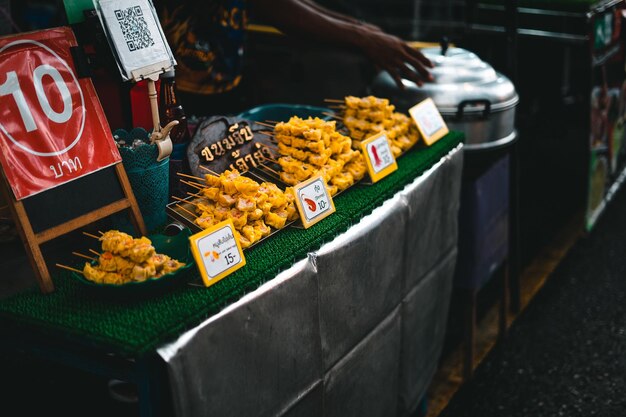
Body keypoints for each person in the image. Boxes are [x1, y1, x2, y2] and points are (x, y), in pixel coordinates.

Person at [155, 0, 433, 116]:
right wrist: (361, 37)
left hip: (222, 75)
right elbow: (273, 7)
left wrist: (361, 30)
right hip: (178, 84)